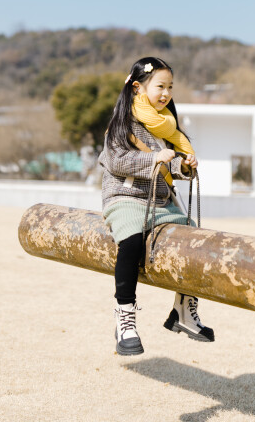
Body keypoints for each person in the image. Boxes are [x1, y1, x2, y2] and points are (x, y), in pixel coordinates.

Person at [98, 56, 214, 356]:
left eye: (170, 87)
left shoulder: (166, 128)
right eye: (160, 86)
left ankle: (184, 311)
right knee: (132, 240)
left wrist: (184, 167)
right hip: (126, 198)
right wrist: (153, 157)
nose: (166, 93)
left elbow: (167, 169)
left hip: (161, 202)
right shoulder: (121, 124)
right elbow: (116, 162)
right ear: (137, 87)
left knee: (195, 241)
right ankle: (125, 316)